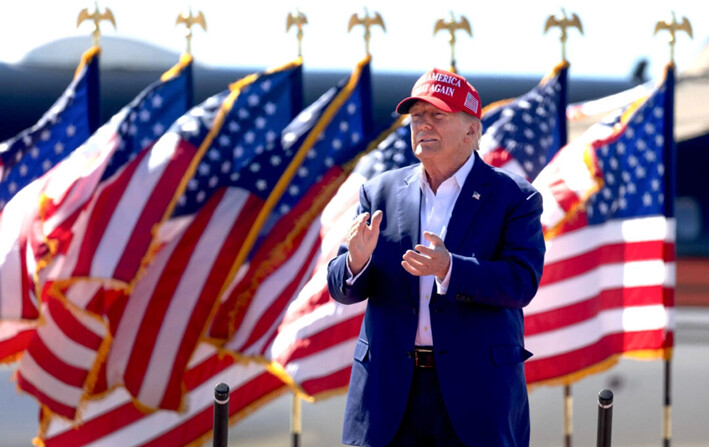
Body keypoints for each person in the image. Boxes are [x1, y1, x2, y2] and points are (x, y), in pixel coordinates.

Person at [327, 67, 546, 447]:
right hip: (388, 395)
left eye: (437, 116)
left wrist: (450, 269)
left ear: (472, 130)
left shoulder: (515, 197)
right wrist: (355, 263)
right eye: (416, 118)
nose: (423, 125)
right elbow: (340, 286)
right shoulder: (380, 192)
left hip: (475, 397)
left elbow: (521, 282)